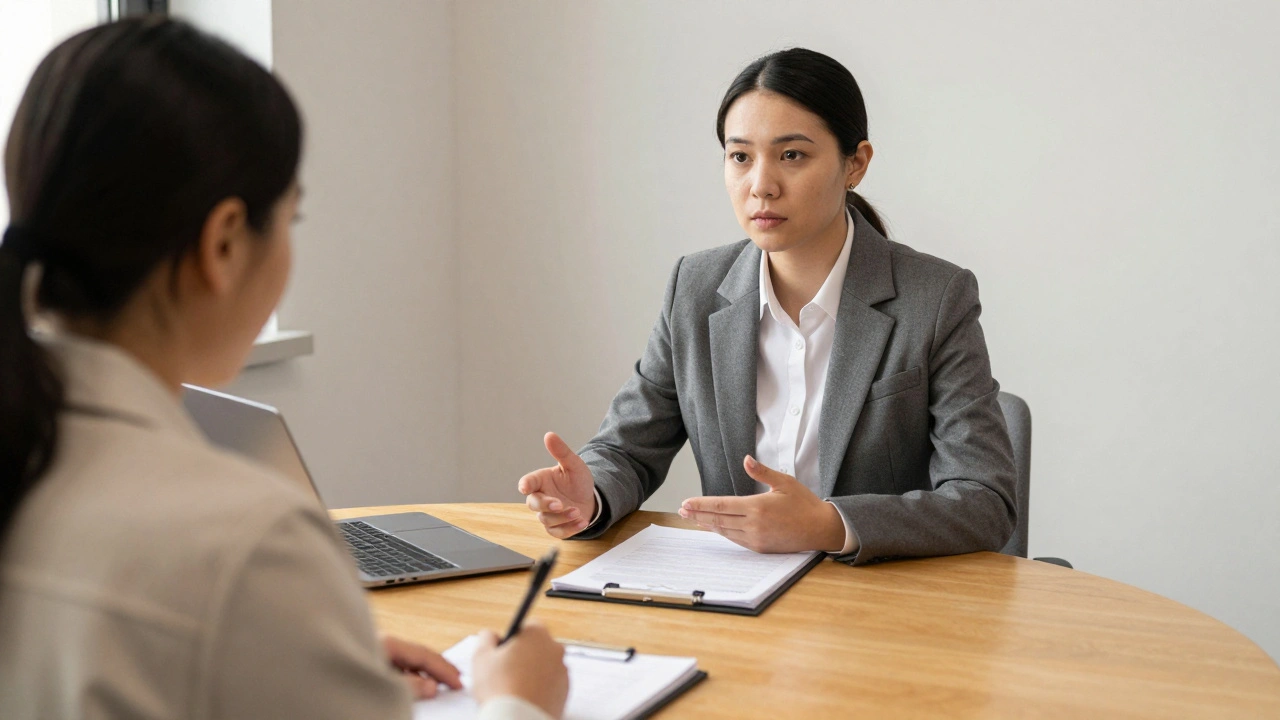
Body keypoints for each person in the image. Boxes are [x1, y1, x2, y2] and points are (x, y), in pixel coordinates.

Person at [0, 17, 566, 720]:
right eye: (291, 219)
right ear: (225, 243)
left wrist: (294, 652)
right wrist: (520, 700)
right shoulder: (246, 546)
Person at [518, 48, 1017, 565]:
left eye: (792, 155)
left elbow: (985, 500)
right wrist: (589, 496)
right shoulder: (695, 288)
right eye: (740, 157)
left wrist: (830, 525)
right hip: (736, 599)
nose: (761, 185)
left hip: (878, 602)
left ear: (856, 164)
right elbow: (625, 450)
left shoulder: (934, 298)